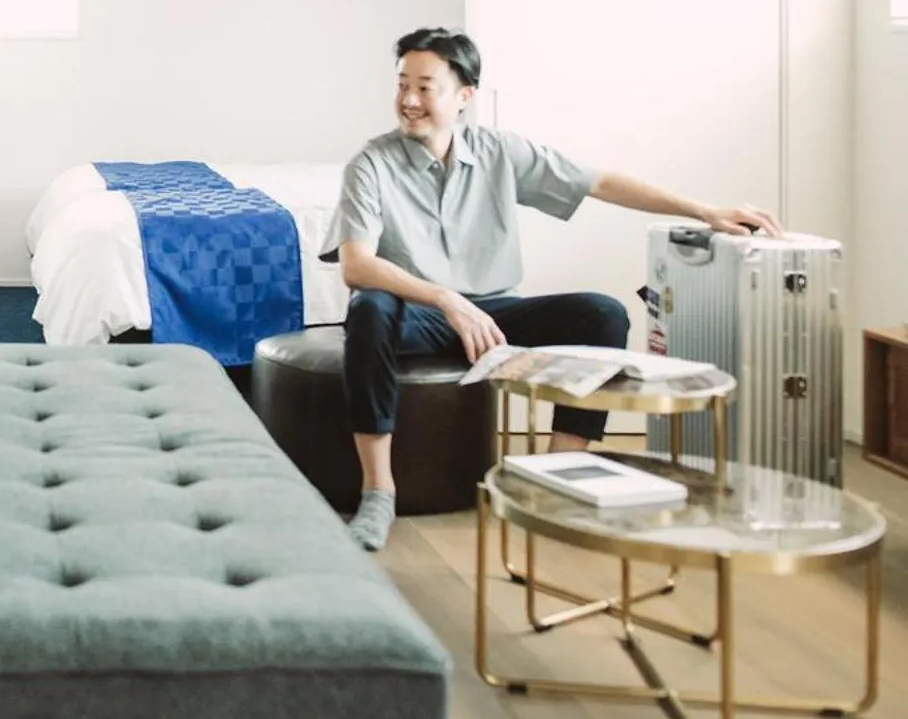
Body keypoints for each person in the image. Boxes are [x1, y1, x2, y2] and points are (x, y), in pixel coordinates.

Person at [328, 27, 779, 551]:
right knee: (368, 308)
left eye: (425, 87)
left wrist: (704, 211)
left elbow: (599, 182)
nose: (408, 100)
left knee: (603, 313)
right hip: (419, 314)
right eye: (402, 84)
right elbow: (357, 264)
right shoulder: (371, 164)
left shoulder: (499, 152)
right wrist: (445, 299)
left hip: (496, 313)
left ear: (465, 95)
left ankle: (557, 469)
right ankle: (378, 491)